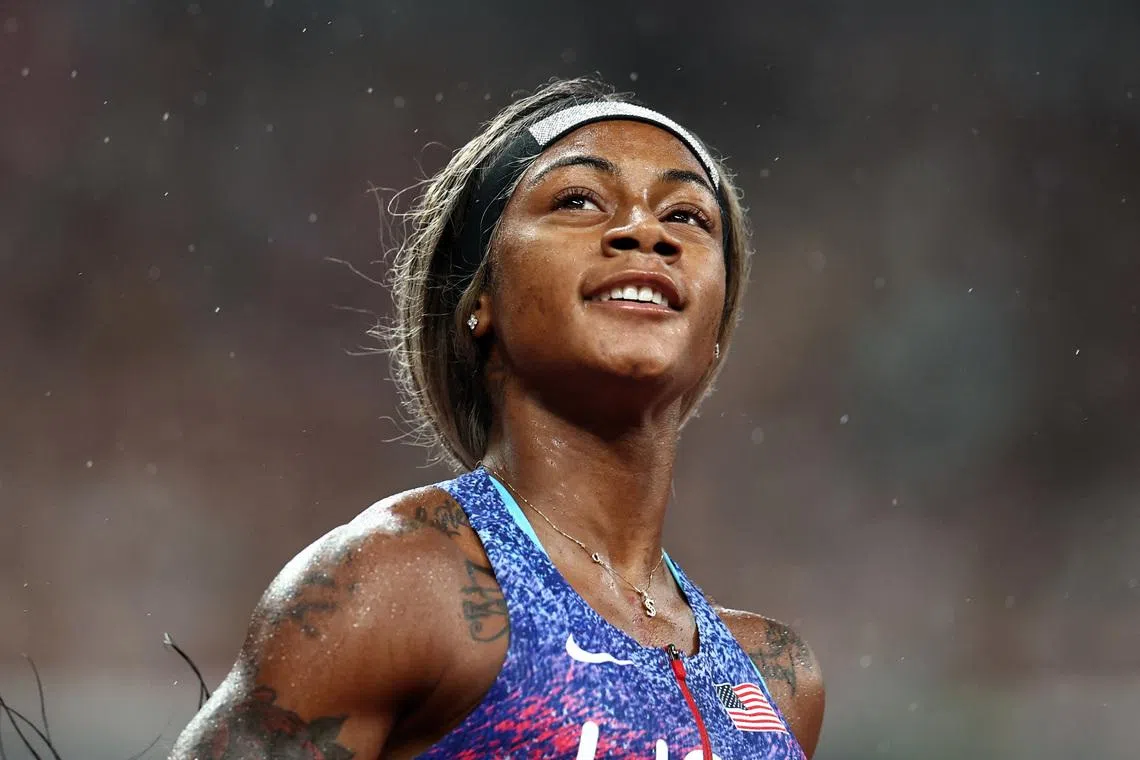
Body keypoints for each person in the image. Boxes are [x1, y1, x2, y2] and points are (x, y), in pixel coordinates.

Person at [171, 77, 825, 759]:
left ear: (715, 327)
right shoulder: (395, 585)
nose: (646, 231)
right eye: (579, 200)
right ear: (479, 296)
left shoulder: (777, 681)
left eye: (688, 216)